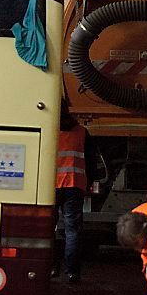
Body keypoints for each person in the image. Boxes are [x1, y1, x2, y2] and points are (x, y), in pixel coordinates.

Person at [55, 103, 88, 283]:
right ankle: (72, 272)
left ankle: (51, 268)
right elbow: (90, 161)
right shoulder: (82, 132)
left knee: (47, 230)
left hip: (50, 186)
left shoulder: (50, 131)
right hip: (75, 185)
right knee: (72, 230)